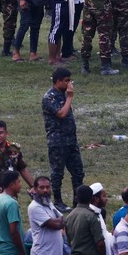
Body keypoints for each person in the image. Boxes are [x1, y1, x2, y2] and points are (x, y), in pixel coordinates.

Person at [41, 67, 83, 210]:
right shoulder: (49, 97)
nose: (69, 84)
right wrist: (70, 97)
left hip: (71, 140)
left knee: (78, 172)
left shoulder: (62, 94)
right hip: (57, 142)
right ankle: (58, 201)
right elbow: (61, 114)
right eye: (66, 81)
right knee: (57, 172)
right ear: (58, 81)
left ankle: (78, 202)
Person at [65, 185, 106, 255]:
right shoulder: (91, 216)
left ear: (76, 198)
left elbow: (68, 238)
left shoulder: (70, 215)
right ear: (92, 198)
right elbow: (100, 242)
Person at [0, 170, 27, 255]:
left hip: (1, 251)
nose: (20, 185)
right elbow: (13, 231)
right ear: (12, 185)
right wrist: (22, 252)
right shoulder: (11, 203)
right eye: (19, 182)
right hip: (12, 252)